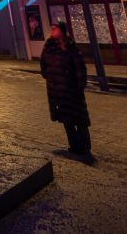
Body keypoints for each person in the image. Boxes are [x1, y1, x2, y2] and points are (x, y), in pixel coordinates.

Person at [40, 22, 92, 156]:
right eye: (51, 28)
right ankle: (74, 146)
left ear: (62, 31)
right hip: (57, 91)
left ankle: (85, 148)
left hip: (72, 90)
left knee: (80, 121)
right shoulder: (49, 46)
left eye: (55, 29)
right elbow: (43, 64)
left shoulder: (70, 46)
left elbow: (80, 67)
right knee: (67, 121)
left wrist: (79, 85)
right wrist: (50, 76)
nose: (52, 31)